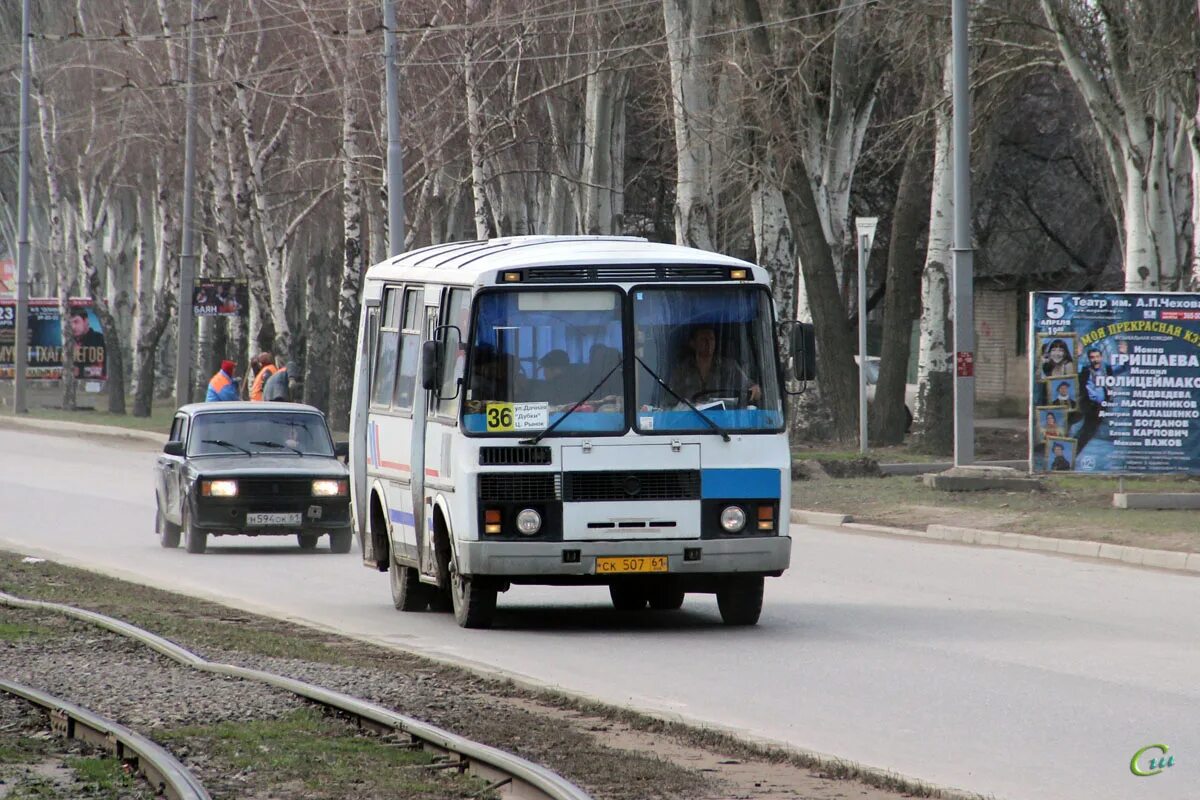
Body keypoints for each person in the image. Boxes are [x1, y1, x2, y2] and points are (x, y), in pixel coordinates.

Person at [667, 326, 760, 406]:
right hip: (689, 422)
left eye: (711, 339)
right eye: (703, 339)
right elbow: (668, 401)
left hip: (724, 423)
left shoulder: (729, 367)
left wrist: (754, 390)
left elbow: (753, 389)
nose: (708, 343)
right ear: (693, 343)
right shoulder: (682, 370)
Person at [68, 308, 105, 379]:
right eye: (70, 323)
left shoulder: (100, 340)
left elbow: (103, 370)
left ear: (86, 321)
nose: (73, 327)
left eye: (76, 322)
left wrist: (80, 371)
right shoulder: (67, 342)